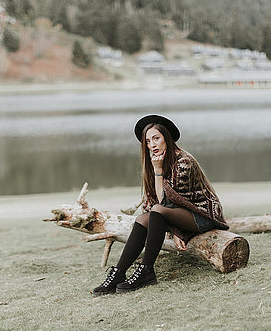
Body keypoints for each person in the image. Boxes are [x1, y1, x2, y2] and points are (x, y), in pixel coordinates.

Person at [91, 114, 229, 296]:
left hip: (201, 216)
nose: (152, 145)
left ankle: (147, 270)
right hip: (177, 215)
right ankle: (119, 273)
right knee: (142, 219)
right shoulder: (155, 160)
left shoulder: (183, 162)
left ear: (167, 138)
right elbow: (152, 203)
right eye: (148, 141)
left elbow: (166, 204)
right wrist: (174, 229)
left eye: (156, 138)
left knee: (157, 210)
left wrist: (158, 172)